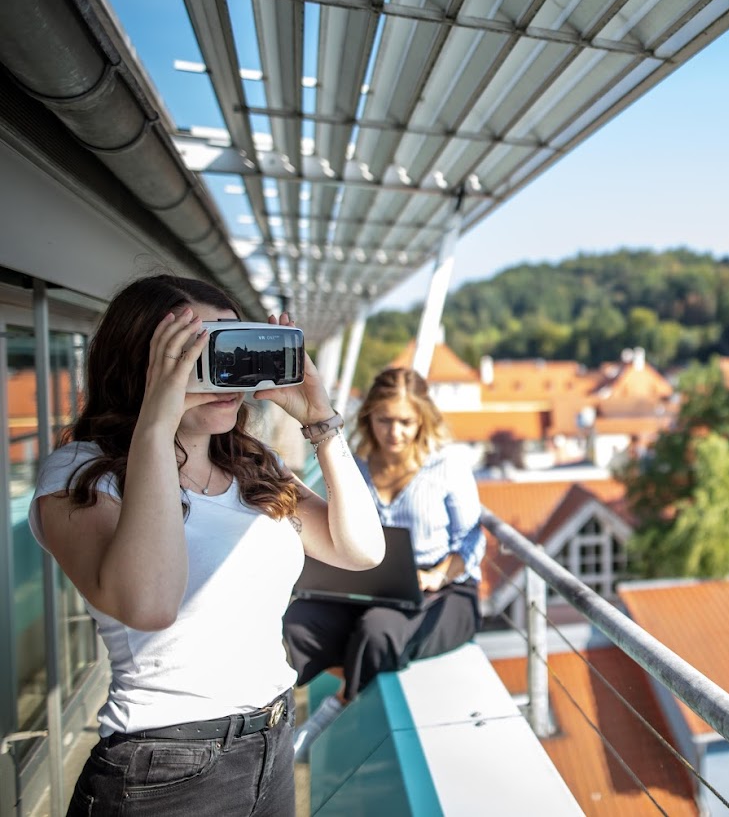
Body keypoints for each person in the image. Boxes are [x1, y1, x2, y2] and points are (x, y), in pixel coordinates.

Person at [29, 274, 385, 817]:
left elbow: (361, 550)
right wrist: (156, 422)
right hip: (165, 769)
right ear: (141, 365)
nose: (227, 376)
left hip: (271, 740)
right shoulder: (82, 473)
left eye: (233, 349)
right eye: (199, 353)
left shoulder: (250, 465)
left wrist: (321, 422)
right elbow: (149, 606)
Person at [283, 367, 485, 758]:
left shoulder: (447, 466)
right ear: (368, 418)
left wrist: (439, 575)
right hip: (365, 587)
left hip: (443, 591)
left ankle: (335, 711)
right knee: (298, 623)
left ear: (423, 419)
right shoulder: (354, 467)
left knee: (378, 631)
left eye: (406, 422)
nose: (396, 432)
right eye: (385, 420)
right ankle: (267, 716)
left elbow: (473, 539)